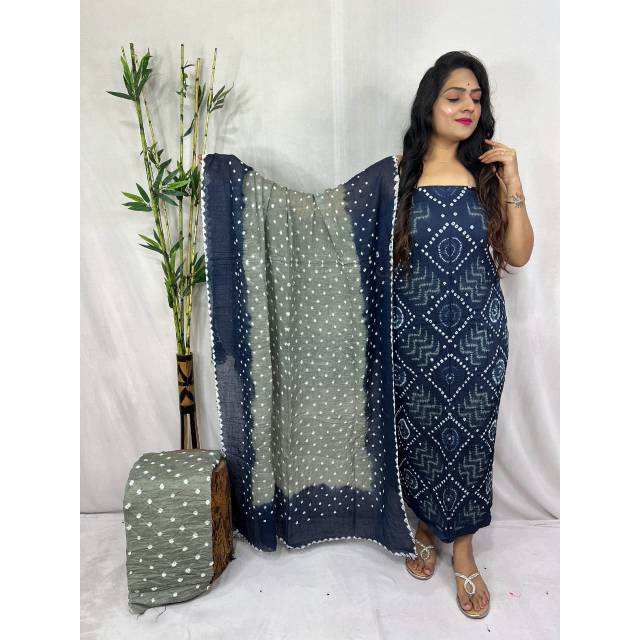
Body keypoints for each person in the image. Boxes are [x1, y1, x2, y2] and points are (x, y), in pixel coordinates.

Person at [392, 51, 534, 619]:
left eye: (476, 98)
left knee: (472, 442)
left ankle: (466, 551)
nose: (468, 106)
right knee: (421, 437)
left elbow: (518, 255)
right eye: (455, 96)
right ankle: (425, 526)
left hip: (478, 338)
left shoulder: (488, 173)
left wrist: (514, 180)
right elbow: (349, 239)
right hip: (414, 338)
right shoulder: (398, 173)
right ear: (429, 103)